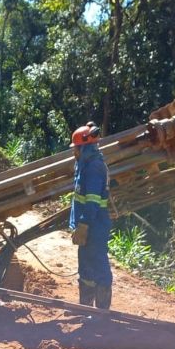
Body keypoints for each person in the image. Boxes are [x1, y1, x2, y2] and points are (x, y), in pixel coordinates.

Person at [70, 122, 113, 310]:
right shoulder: (86, 166)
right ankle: (84, 309)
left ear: (83, 147)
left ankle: (101, 312)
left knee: (99, 268)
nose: (74, 153)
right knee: (86, 269)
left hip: (95, 226)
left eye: (75, 148)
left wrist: (84, 224)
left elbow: (93, 201)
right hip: (88, 226)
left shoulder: (94, 167)